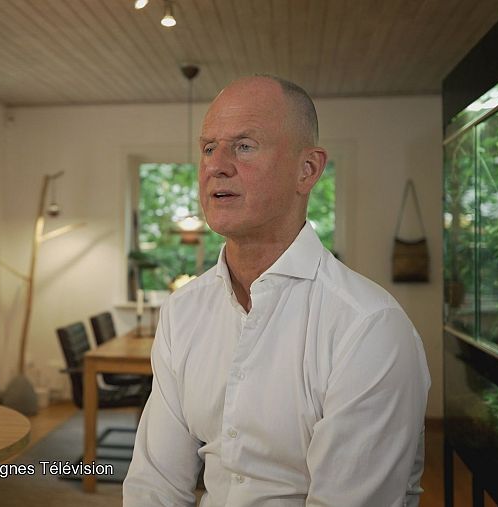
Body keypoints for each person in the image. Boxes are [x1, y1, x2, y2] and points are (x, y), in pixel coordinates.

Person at [122, 75, 431, 506]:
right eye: (209, 147)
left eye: (244, 146)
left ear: (308, 170)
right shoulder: (183, 311)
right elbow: (155, 484)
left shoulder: (368, 327)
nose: (216, 165)